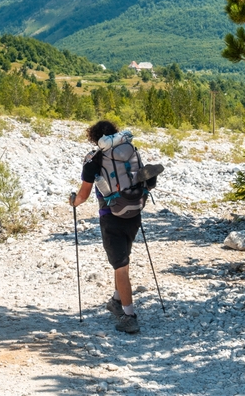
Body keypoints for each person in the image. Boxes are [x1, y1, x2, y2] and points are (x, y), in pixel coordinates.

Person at [71, 120, 156, 334]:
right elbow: (145, 179)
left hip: (111, 216)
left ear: (95, 138)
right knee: (123, 259)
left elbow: (83, 195)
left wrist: (73, 202)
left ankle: (129, 316)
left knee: (121, 267)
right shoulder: (129, 152)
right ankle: (116, 301)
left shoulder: (94, 159)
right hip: (135, 212)